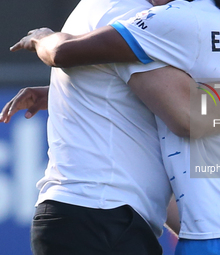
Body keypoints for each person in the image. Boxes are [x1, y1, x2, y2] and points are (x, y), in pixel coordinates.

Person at [2, 0, 220, 254]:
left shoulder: (158, 18)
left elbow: (187, 115)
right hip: (208, 220)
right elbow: (187, 98)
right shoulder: (215, 13)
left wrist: (43, 38)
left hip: (207, 225)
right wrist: (66, 93)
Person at [2, 1, 176, 254]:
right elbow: (187, 112)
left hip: (91, 217)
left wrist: (58, 94)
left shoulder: (98, 8)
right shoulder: (135, 14)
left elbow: (109, 90)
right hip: (101, 218)